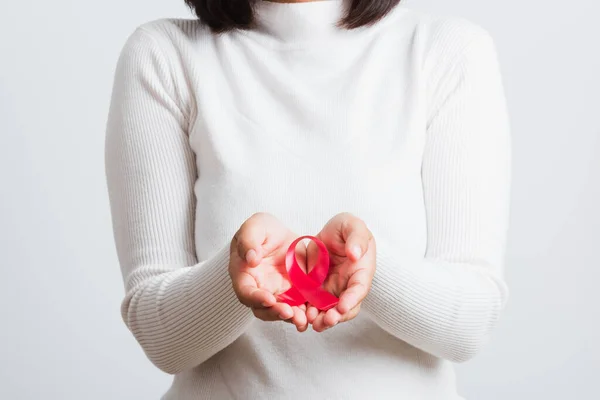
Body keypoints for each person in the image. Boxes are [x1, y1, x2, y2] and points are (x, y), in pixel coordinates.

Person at [104, 0, 512, 398]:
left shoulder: (445, 51)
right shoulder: (164, 53)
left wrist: (370, 268)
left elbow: (470, 326)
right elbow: (163, 342)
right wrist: (235, 278)